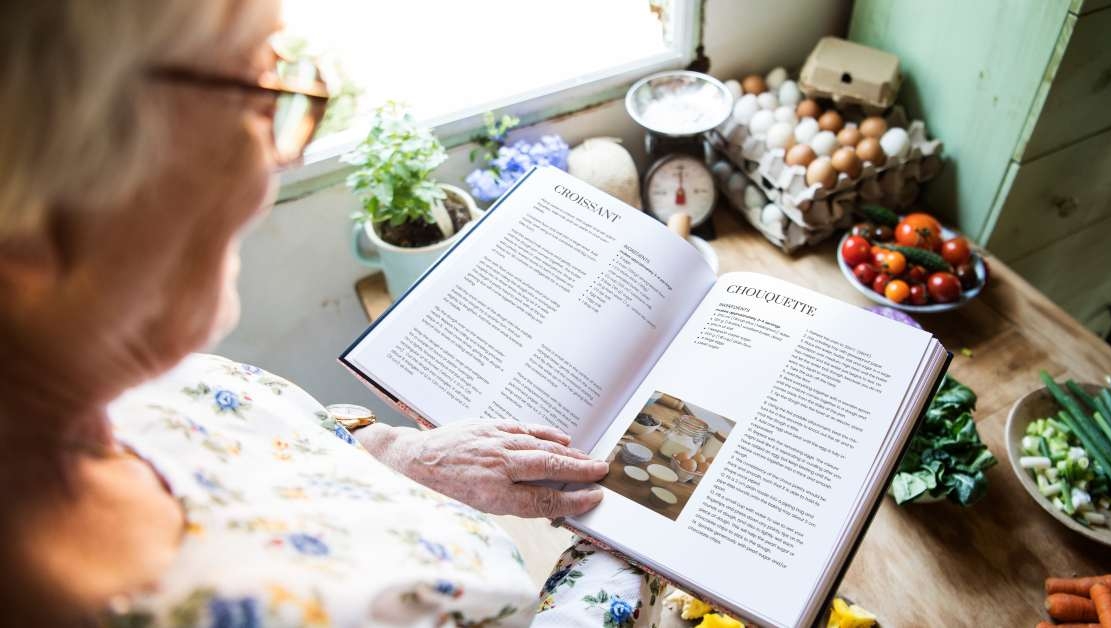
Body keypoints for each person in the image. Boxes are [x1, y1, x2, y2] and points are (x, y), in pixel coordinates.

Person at [0, 1, 666, 625]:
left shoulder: (113, 379)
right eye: (258, 92)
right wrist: (618, 561)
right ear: (37, 180)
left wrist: (400, 454)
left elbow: (264, 456)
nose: (270, 166)